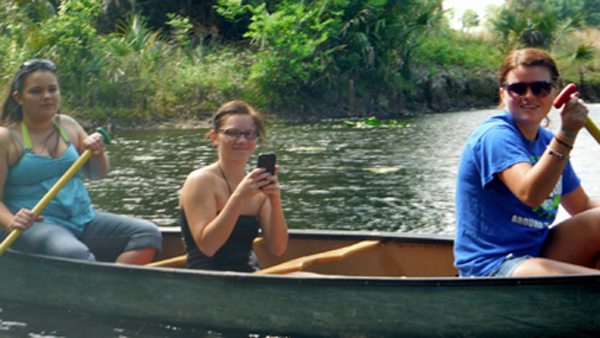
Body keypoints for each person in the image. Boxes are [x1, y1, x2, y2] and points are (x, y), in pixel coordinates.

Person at [454, 48, 600, 277]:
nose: (529, 96)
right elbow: (529, 194)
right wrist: (568, 132)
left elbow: (581, 206)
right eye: (518, 88)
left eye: (540, 88)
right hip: (494, 263)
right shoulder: (495, 135)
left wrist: (562, 138)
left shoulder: (548, 142)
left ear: (554, 93)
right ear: (503, 93)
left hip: (536, 252)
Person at [0, 59, 162, 264]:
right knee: (76, 255)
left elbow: (97, 174)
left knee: (147, 235)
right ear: (19, 97)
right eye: (36, 91)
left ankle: (110, 290)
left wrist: (97, 153)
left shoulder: (68, 125)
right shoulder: (5, 138)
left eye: (52, 89)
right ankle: (102, 289)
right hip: (35, 226)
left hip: (82, 218)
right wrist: (12, 221)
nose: (47, 97)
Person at [179, 100, 288, 272]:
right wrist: (239, 197)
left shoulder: (257, 185)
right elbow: (208, 247)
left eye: (250, 133)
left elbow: (278, 248)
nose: (242, 140)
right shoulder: (201, 181)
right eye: (233, 133)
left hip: (246, 277)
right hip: (206, 280)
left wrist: (274, 201)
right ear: (215, 138)